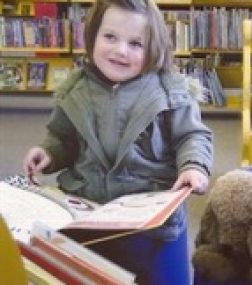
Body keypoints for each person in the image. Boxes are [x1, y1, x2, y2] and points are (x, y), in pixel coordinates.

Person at [23, 0, 213, 284]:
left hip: (152, 226)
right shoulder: (75, 90)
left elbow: (192, 136)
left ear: (153, 49)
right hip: (88, 216)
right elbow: (63, 138)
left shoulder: (170, 91)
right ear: (92, 37)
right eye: (110, 37)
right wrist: (48, 153)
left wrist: (193, 166)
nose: (120, 51)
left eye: (136, 44)